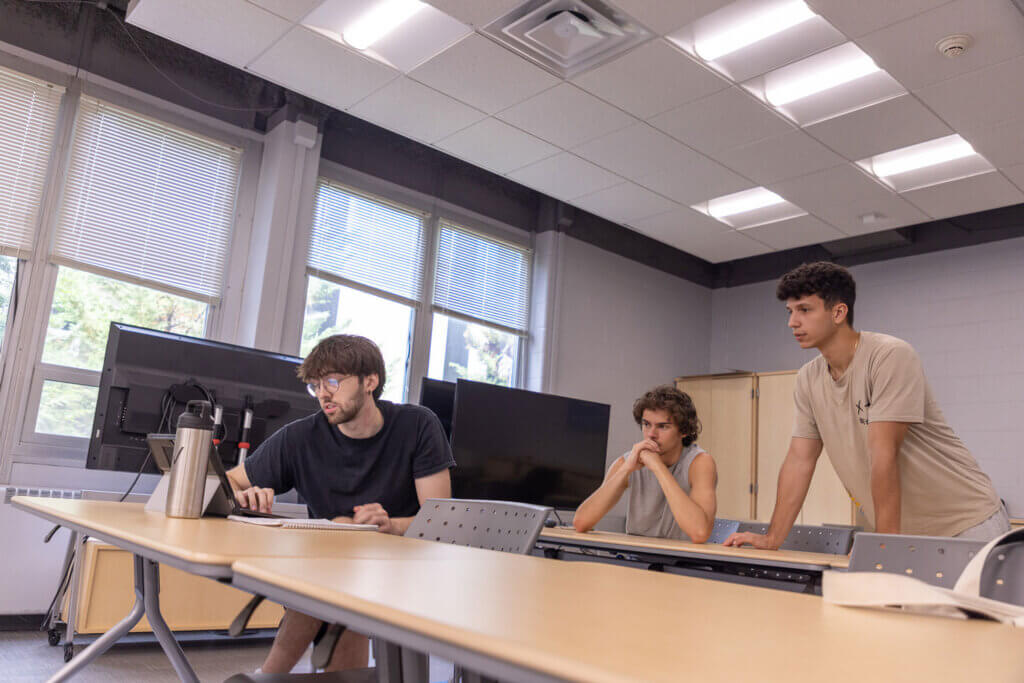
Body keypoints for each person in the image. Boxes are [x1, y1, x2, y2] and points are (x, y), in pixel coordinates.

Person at [725, 262, 1008, 549]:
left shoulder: (889, 356)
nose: (792, 322)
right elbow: (800, 461)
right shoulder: (808, 378)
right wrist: (772, 538)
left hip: (966, 523)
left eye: (805, 310)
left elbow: (883, 455)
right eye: (790, 311)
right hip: (906, 533)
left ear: (838, 312)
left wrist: (884, 548)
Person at [226, 334, 454, 673]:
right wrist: (242, 498)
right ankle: (269, 677)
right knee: (333, 576)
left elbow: (441, 521)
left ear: (370, 382)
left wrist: (390, 527)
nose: (323, 393)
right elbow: (229, 482)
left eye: (333, 381)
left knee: (332, 582)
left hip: (409, 568)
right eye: (316, 385)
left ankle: (266, 676)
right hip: (331, 574)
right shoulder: (300, 437)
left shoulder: (417, 425)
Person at [573, 385, 717, 542]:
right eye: (646, 424)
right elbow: (581, 523)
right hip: (638, 558)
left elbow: (700, 532)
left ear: (683, 431)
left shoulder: (700, 462)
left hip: (682, 561)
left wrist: (658, 467)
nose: (651, 434)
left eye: (662, 426)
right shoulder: (628, 460)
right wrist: (626, 469)